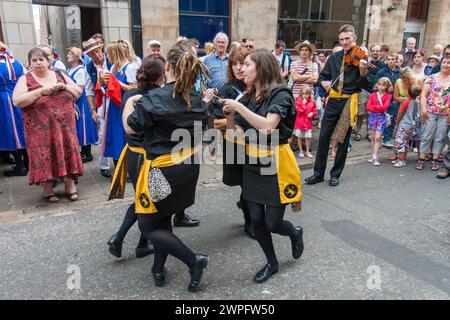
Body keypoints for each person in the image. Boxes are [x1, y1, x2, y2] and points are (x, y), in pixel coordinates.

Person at [122, 41, 209, 291]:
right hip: (188, 168)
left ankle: (194, 261)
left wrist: (132, 102)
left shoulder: (153, 99)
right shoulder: (197, 99)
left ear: (168, 66)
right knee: (163, 218)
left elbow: (131, 126)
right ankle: (158, 269)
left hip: (161, 170)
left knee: (148, 224)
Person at [221, 48, 304, 284]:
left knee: (273, 223)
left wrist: (237, 107)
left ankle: (294, 232)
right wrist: (228, 114)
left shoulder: (281, 94)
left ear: (262, 68)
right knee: (256, 221)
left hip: (276, 163)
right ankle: (272, 262)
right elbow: (234, 135)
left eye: (247, 64)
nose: (241, 69)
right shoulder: (246, 97)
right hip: (251, 162)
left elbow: (268, 127)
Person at [108, 55, 167, 259]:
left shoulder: (131, 94)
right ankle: (120, 237)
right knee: (151, 200)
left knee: (145, 198)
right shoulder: (160, 96)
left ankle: (141, 243)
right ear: (161, 77)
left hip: (132, 155)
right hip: (149, 157)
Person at [12, 47, 83, 202]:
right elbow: (17, 101)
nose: (38, 63)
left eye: (41, 59)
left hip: (65, 127)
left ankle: (70, 186)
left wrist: (64, 87)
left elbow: (78, 92)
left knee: (67, 150)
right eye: (34, 60)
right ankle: (48, 189)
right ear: (29, 63)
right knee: (45, 154)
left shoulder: (59, 74)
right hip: (40, 130)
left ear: (48, 61)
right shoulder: (25, 79)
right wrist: (40, 92)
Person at [305, 24, 369, 187]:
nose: (345, 42)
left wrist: (362, 72)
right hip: (333, 101)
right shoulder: (333, 58)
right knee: (323, 137)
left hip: (348, 101)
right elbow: (321, 78)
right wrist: (324, 82)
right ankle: (318, 173)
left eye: (348, 39)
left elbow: (366, 85)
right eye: (342, 39)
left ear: (354, 38)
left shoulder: (361, 58)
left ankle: (335, 174)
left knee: (342, 139)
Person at [205, 46, 256, 239]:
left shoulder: (256, 86)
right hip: (234, 143)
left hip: (255, 142)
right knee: (245, 183)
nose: (239, 68)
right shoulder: (227, 89)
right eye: (234, 64)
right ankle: (249, 221)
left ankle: (250, 210)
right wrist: (237, 118)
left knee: (254, 182)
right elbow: (216, 122)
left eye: (243, 63)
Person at [101, 42, 138, 167]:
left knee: (124, 135)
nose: (107, 56)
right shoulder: (113, 68)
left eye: (108, 53)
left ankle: (128, 168)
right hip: (114, 106)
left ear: (113, 53)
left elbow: (134, 89)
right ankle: (118, 167)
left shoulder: (131, 67)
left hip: (125, 105)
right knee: (115, 135)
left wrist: (116, 82)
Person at [83, 38, 112, 178]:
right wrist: (93, 110)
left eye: (97, 50)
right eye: (92, 53)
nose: (96, 54)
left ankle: (120, 161)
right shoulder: (88, 67)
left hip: (116, 100)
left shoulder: (111, 60)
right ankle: (104, 165)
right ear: (88, 55)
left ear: (101, 48)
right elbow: (89, 91)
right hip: (102, 102)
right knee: (102, 134)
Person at [417, 56, 450, 171]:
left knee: (440, 138)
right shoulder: (431, 78)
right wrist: (424, 110)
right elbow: (424, 95)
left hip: (445, 114)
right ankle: (421, 158)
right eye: (444, 62)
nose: (446, 65)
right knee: (427, 135)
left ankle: (435, 160)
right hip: (430, 112)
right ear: (440, 64)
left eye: (449, 63)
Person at [66, 47, 98, 163]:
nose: (67, 55)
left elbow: (80, 89)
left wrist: (70, 100)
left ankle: (87, 153)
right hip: (73, 101)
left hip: (80, 101)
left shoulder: (80, 70)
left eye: (70, 53)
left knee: (83, 125)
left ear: (76, 57)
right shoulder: (69, 70)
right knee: (77, 125)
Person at [0, 42, 27, 177]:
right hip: (19, 97)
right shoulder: (18, 63)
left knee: (12, 132)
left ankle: (20, 166)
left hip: (4, 101)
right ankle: (27, 163)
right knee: (22, 129)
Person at [383, 67, 420, 150]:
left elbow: (421, 96)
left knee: (415, 128)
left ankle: (414, 147)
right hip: (402, 106)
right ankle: (398, 150)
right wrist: (404, 100)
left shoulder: (418, 81)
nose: (406, 81)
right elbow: (395, 97)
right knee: (400, 129)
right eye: (404, 79)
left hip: (415, 108)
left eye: (408, 79)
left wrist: (411, 100)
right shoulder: (398, 82)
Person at [354, 44, 385, 142]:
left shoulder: (382, 65)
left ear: (380, 52)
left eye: (377, 51)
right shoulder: (365, 61)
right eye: (374, 50)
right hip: (363, 89)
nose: (375, 52)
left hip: (375, 92)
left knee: (371, 113)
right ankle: (358, 132)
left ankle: (369, 133)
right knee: (360, 112)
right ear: (371, 51)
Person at [393, 84, 422, 168]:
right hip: (415, 125)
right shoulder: (418, 101)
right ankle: (418, 158)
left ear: (408, 92)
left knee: (402, 141)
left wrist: (397, 122)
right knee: (413, 141)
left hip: (405, 125)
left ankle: (401, 160)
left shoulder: (406, 102)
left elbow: (400, 113)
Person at [366, 77, 393, 165]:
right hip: (372, 117)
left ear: (387, 87)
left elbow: (385, 107)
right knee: (373, 138)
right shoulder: (373, 95)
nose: (381, 87)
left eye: (383, 85)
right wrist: (377, 108)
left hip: (381, 118)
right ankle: (373, 155)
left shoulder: (388, 96)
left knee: (378, 138)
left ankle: (375, 157)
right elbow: (367, 107)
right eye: (380, 85)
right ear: (377, 85)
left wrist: (374, 107)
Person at [294, 87, 317, 158]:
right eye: (303, 93)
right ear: (301, 94)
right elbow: (299, 111)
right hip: (299, 123)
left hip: (308, 123)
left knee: (308, 137)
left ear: (309, 94)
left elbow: (315, 111)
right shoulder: (298, 101)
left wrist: (312, 114)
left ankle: (307, 151)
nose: (304, 95)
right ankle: (301, 151)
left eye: (306, 93)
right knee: (299, 137)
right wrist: (303, 104)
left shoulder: (312, 102)